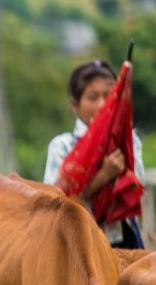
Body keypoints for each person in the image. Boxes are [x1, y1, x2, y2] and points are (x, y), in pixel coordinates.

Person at [44, 59, 145, 249]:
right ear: (74, 104)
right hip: (74, 246)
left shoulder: (129, 141)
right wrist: (102, 176)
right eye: (92, 97)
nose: (102, 105)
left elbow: (136, 191)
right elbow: (54, 204)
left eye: (109, 95)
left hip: (123, 244)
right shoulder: (62, 147)